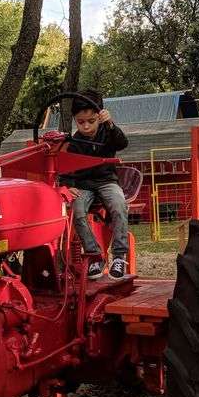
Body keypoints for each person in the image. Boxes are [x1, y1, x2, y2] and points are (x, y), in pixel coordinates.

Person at [61, 91, 130, 279]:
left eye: (91, 121)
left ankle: (119, 256)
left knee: (119, 205)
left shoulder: (108, 133)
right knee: (77, 210)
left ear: (100, 116)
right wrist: (68, 185)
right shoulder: (74, 142)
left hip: (107, 181)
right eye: (80, 122)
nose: (86, 126)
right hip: (84, 185)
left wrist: (110, 124)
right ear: (75, 120)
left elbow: (122, 143)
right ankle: (95, 256)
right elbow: (67, 167)